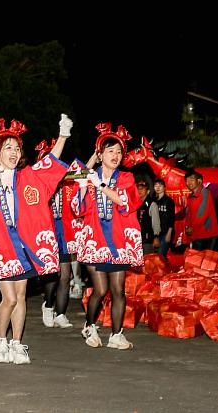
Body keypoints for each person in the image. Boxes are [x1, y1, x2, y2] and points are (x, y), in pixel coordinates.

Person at [0, 114, 73, 365]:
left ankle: (16, 343)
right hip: (2, 245)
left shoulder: (28, 176)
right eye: (8, 148)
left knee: (22, 296)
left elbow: (50, 164)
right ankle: (0, 339)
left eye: (17, 148)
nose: (14, 153)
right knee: (10, 298)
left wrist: (63, 136)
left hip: (24, 244)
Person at [73, 122, 142, 350]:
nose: (116, 155)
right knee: (100, 290)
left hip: (119, 241)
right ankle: (90, 325)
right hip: (95, 241)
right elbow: (77, 206)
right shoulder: (90, 176)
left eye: (119, 151)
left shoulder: (126, 178)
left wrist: (99, 183)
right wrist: (87, 178)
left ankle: (116, 334)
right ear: (100, 154)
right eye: (110, 151)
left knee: (118, 290)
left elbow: (124, 201)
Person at [34, 139, 78, 330]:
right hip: (47, 231)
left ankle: (61, 313)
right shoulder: (40, 184)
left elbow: (84, 173)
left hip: (65, 232)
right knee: (53, 276)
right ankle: (49, 306)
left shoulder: (67, 183)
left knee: (66, 276)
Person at [184, 169, 218, 250]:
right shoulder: (190, 197)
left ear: (199, 181)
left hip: (207, 234)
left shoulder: (205, 192)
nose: (189, 183)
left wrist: (192, 227)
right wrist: (187, 227)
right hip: (196, 234)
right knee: (197, 260)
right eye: (187, 180)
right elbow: (188, 214)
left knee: (206, 261)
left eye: (191, 179)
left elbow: (202, 212)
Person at [152, 179, 175, 256]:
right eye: (156, 185)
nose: (158, 187)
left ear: (164, 188)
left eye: (160, 185)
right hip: (155, 233)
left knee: (161, 255)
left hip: (165, 232)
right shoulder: (153, 200)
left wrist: (169, 233)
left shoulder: (169, 201)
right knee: (154, 256)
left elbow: (172, 217)